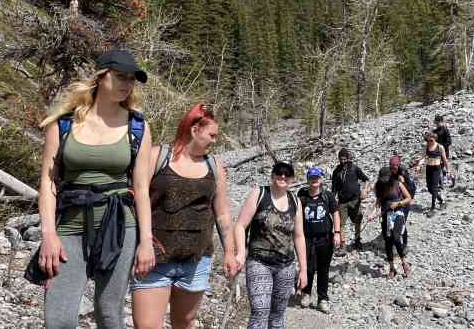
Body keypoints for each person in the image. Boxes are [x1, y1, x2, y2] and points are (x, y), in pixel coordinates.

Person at [36, 49, 155, 329]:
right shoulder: (63, 123)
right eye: (121, 77)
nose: (127, 84)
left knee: (109, 313)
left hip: (119, 228)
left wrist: (147, 241)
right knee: (59, 318)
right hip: (70, 226)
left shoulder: (138, 126)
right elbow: (48, 181)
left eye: (132, 79)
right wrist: (48, 234)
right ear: (101, 77)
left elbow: (141, 187)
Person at [131, 103, 239, 329]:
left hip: (196, 260)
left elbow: (222, 214)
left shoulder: (214, 165)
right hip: (155, 259)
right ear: (194, 130)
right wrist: (142, 243)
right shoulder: (157, 156)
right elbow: (136, 199)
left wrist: (230, 252)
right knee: (147, 326)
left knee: (184, 322)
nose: (214, 140)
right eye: (212, 134)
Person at [234, 161, 307, 329]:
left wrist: (303, 269)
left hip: (286, 265)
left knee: (277, 315)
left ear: (292, 179)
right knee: (260, 311)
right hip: (259, 262)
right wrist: (240, 253)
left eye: (287, 174)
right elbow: (240, 225)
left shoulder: (295, 201)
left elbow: (299, 236)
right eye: (279, 172)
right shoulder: (259, 194)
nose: (282, 176)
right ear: (272, 175)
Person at [296, 166, 340, 314]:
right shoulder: (302, 196)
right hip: (307, 238)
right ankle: (306, 294)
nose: (314, 180)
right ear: (308, 179)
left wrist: (337, 232)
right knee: (307, 267)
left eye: (317, 177)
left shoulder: (327, 196)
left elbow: (335, 214)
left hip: (325, 238)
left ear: (321, 179)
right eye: (311, 178)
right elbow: (296, 215)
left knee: (323, 269)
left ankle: (322, 299)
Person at [367, 169, 412, 279]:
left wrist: (398, 203)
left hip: (398, 214)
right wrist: (372, 214)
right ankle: (392, 268)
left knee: (396, 238)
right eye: (382, 180)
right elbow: (378, 203)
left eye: (386, 179)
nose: (384, 181)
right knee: (388, 242)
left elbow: (409, 198)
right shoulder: (379, 186)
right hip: (385, 216)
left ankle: (404, 263)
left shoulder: (398, 184)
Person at [331, 148, 371, 250]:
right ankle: (343, 245)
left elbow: (366, 179)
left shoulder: (354, 168)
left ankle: (357, 241)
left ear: (348, 158)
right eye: (341, 159)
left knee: (357, 221)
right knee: (341, 224)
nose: (343, 161)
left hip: (355, 200)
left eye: (344, 159)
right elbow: (334, 189)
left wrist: (364, 190)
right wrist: (332, 202)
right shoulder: (336, 171)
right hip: (342, 202)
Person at [415, 132, 450, 213]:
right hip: (429, 168)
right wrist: (419, 165)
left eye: (431, 140)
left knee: (434, 187)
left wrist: (448, 170)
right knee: (429, 188)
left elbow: (444, 159)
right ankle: (441, 201)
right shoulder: (426, 146)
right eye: (428, 140)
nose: (429, 142)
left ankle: (433, 208)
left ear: (435, 139)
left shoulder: (440, 147)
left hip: (436, 169)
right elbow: (423, 157)